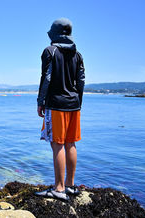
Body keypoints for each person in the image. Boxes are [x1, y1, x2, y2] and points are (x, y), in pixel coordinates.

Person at [35, 18, 85, 201]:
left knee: (57, 145)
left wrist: (41, 101)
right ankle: (70, 186)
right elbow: (81, 82)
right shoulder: (77, 54)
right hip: (74, 105)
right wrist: (78, 102)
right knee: (71, 143)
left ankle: (59, 188)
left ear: (53, 34)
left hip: (56, 105)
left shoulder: (50, 51)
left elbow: (46, 78)